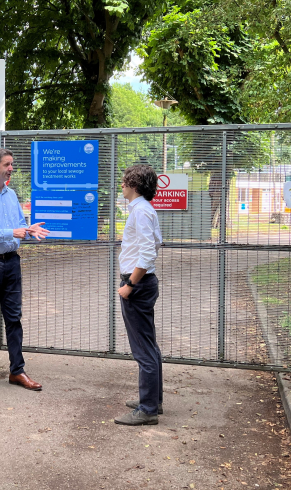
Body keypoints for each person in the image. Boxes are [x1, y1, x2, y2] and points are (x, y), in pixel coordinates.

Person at [0, 148, 50, 392]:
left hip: (11, 263)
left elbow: (17, 226)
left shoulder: (11, 195)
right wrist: (11, 232)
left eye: (12, 164)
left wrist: (27, 228)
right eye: (7, 164)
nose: (11, 168)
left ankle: (17, 371)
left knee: (14, 319)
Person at [114, 165, 164, 425]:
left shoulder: (141, 212)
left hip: (138, 285)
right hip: (144, 283)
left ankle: (147, 410)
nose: (121, 185)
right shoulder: (143, 210)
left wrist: (130, 285)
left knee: (143, 349)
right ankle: (153, 400)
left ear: (134, 184)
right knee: (149, 344)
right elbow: (156, 242)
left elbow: (148, 252)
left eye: (124, 181)